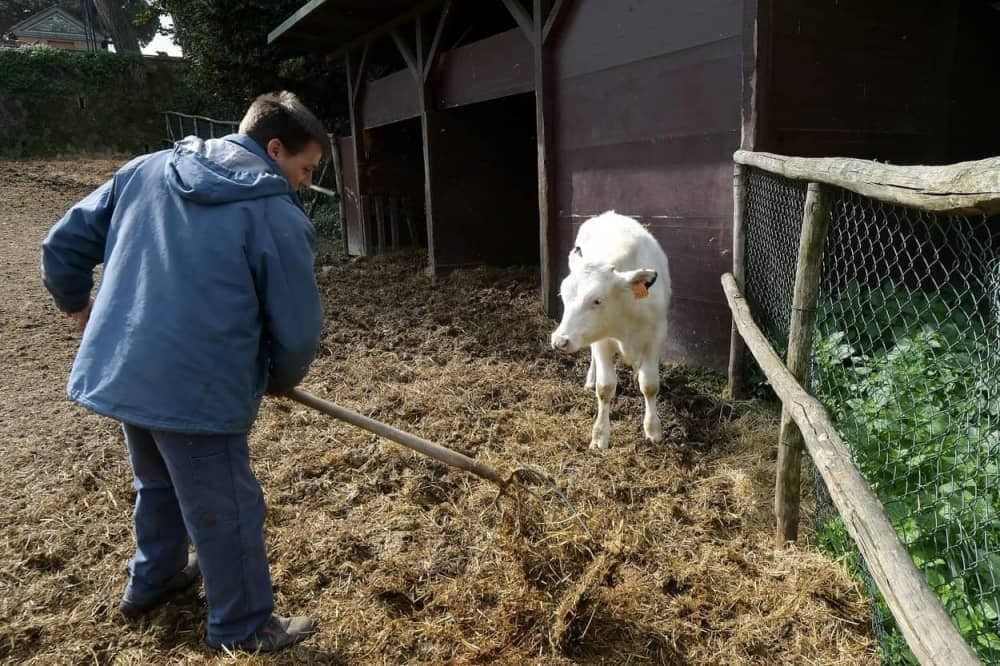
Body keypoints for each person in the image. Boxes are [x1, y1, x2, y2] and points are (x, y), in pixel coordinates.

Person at [41, 91, 327, 653]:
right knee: (227, 507)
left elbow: (62, 245)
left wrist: (77, 304)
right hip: (198, 387)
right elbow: (297, 328)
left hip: (131, 368)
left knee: (158, 482)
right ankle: (244, 626)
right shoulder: (272, 213)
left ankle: (155, 578)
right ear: (274, 149)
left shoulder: (145, 170)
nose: (305, 182)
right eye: (306, 168)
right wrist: (281, 377)